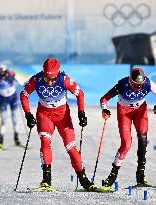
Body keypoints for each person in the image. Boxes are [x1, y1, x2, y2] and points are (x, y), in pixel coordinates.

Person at [20, 58, 98, 191]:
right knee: (45, 142)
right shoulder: (36, 79)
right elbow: (24, 95)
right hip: (45, 115)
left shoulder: (64, 79)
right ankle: (46, 180)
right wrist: (28, 114)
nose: (50, 83)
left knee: (70, 147)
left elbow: (80, 94)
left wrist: (81, 112)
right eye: (47, 79)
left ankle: (84, 180)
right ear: (43, 73)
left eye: (53, 79)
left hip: (62, 116)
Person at [99, 67, 156, 190]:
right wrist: (105, 110)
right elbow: (104, 99)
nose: (138, 88)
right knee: (126, 144)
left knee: (143, 138)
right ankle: (112, 175)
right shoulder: (122, 84)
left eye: (140, 85)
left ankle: (141, 174)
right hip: (124, 112)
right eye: (135, 85)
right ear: (130, 81)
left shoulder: (148, 83)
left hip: (140, 111)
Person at [0, 65, 24, 150]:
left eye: (4, 74)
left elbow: (21, 82)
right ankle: (0, 142)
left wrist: (15, 75)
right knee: (4, 121)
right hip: (3, 100)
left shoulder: (10, 75)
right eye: (1, 74)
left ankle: (16, 139)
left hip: (13, 98)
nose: (3, 77)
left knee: (14, 118)